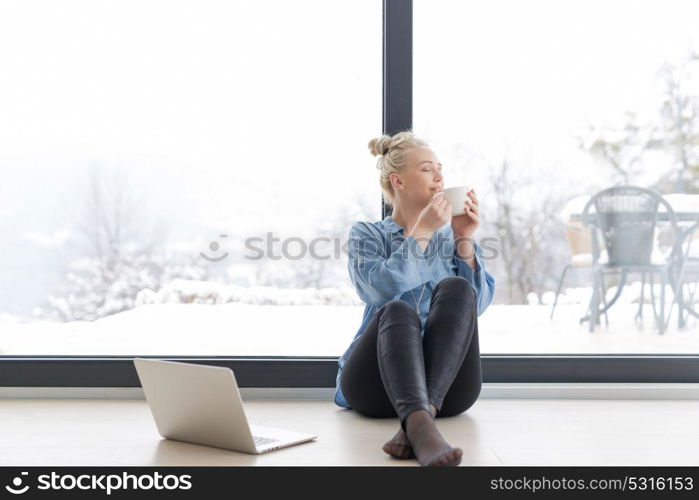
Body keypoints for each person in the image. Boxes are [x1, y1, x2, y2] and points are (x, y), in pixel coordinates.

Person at [334, 130, 495, 466]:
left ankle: (418, 422)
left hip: (449, 389)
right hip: (375, 388)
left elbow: (474, 309)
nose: (439, 177)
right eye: (426, 169)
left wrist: (463, 237)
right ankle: (424, 427)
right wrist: (420, 233)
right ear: (398, 181)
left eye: (440, 169)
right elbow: (376, 290)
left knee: (459, 289)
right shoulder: (368, 234)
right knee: (397, 308)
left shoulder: (452, 239)